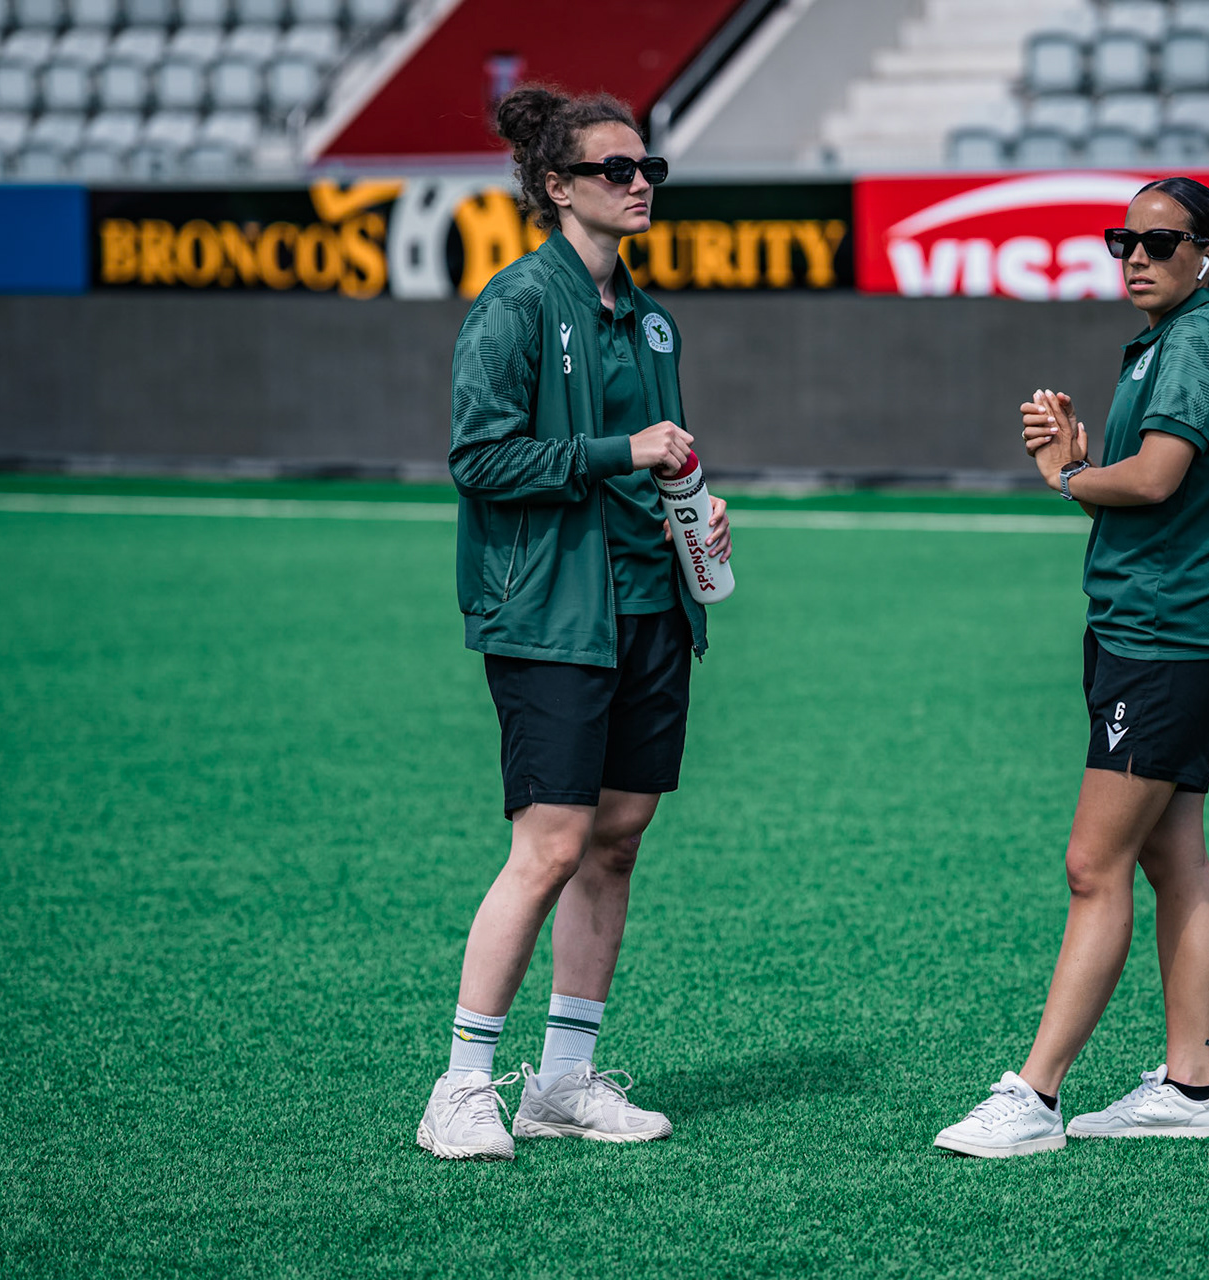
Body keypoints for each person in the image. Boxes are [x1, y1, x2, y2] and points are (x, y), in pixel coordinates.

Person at [416, 84, 732, 1160]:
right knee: (548, 848)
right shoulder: (511, 306)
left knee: (617, 844)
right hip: (549, 617)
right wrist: (622, 453)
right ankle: (459, 1086)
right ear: (557, 188)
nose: (641, 184)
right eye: (617, 170)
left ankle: (561, 1080)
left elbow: (658, 458)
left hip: (649, 611)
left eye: (649, 171)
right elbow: (479, 461)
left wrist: (696, 505)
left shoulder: (650, 317)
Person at [934, 176, 1209, 1158]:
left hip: (1167, 638)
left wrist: (1072, 474)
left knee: (1094, 863)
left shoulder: (1199, 339)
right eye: (1121, 238)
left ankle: (1034, 1096)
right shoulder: (1177, 341)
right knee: (1172, 856)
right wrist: (1080, 465)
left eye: (1159, 242)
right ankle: (1189, 1084)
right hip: (1174, 631)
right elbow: (1152, 491)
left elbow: (1157, 477)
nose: (1134, 254)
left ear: (1207, 252)